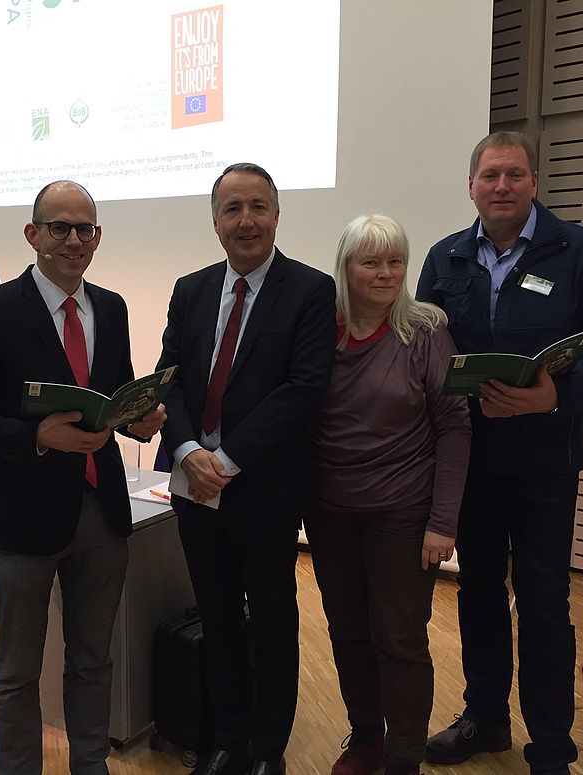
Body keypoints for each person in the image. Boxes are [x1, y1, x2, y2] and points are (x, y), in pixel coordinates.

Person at [416, 131, 583, 775]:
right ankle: (485, 719)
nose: (502, 186)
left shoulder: (579, 251)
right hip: (472, 462)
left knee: (543, 604)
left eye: (514, 174)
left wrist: (556, 395)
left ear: (534, 182)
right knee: (478, 594)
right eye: (490, 175)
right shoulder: (445, 258)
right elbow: (424, 348)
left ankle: (550, 749)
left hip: (545, 463)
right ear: (471, 186)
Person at [0, 180, 165, 775]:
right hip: (20, 518)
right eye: (59, 227)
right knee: (17, 672)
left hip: (102, 512)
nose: (73, 240)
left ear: (97, 237)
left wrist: (138, 421)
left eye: (84, 229)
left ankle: (90, 765)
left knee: (93, 660)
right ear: (32, 234)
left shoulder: (110, 308)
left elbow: (113, 396)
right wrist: (35, 435)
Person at [156, 162, 337, 775]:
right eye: (232, 209)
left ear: (277, 215)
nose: (246, 220)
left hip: (264, 489)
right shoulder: (191, 289)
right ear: (215, 222)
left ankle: (267, 749)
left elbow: (303, 389)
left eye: (258, 206)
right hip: (194, 485)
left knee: (273, 618)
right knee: (217, 616)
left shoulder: (310, 290)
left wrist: (226, 461)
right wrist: (187, 451)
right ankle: (227, 738)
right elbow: (170, 378)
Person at [307, 215, 471, 775]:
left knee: (399, 639)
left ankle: (403, 755)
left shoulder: (425, 333)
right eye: (371, 262)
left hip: (403, 514)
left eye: (395, 261)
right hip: (330, 513)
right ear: (345, 268)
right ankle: (365, 739)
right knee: (348, 631)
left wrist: (443, 521)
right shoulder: (320, 331)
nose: (385, 273)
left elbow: (455, 427)